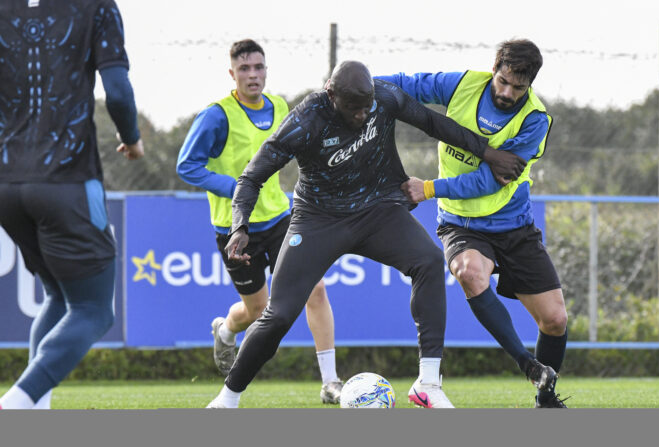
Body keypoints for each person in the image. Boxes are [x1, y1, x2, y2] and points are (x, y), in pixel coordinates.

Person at [206, 60, 550, 409]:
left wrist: (489, 154)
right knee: (278, 314)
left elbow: (434, 123)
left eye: (366, 106)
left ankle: (428, 382)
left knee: (429, 261)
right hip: (319, 219)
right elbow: (251, 177)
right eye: (353, 108)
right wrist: (240, 226)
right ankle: (227, 399)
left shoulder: (383, 96)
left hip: (378, 211)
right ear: (331, 95)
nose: (362, 115)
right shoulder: (305, 121)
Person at [378, 39, 569, 408]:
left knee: (555, 320)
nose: (507, 92)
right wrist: (357, 82)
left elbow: (488, 181)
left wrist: (428, 188)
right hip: (462, 223)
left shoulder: (534, 120)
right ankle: (527, 363)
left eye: (518, 87)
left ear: (530, 85)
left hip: (514, 226)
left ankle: (545, 400)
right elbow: (408, 83)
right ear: (494, 69)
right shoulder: (463, 84)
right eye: (503, 81)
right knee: (469, 272)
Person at [177, 39, 342, 404]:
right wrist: (237, 189)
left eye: (258, 67)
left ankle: (331, 383)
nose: (253, 75)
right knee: (257, 311)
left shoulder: (279, 106)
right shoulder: (216, 116)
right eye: (244, 69)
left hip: (282, 217)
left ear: (266, 70)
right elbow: (187, 166)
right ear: (232, 73)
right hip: (237, 229)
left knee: (315, 288)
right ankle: (226, 329)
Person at [0, 0, 143, 410]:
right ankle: (15, 404)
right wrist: (131, 138)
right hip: (68, 182)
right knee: (94, 310)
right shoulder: (96, 5)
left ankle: (35, 411)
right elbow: (118, 92)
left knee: (59, 297)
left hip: (7, 184)